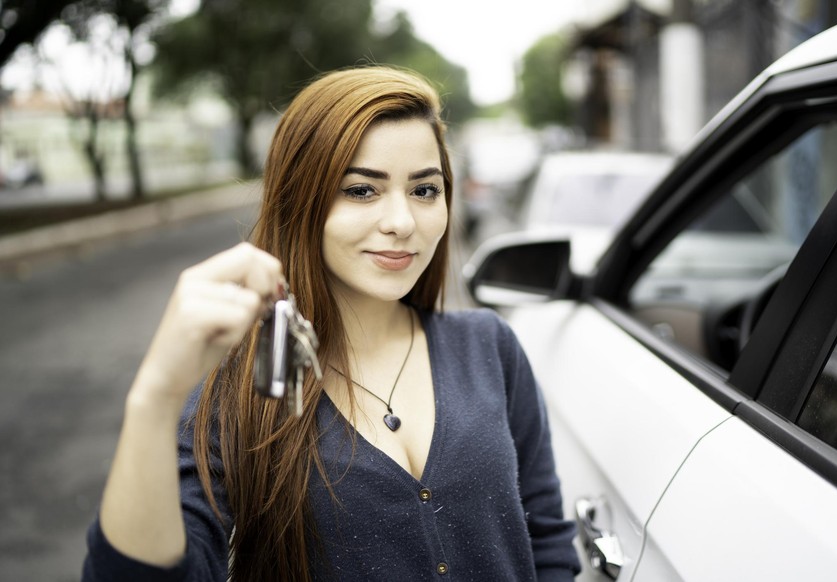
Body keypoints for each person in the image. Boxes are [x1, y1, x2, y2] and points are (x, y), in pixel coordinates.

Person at [82, 65, 581, 581]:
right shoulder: (244, 386)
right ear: (301, 200)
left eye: (425, 190)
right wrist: (154, 397)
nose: (402, 222)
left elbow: (546, 540)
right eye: (362, 190)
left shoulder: (489, 347)